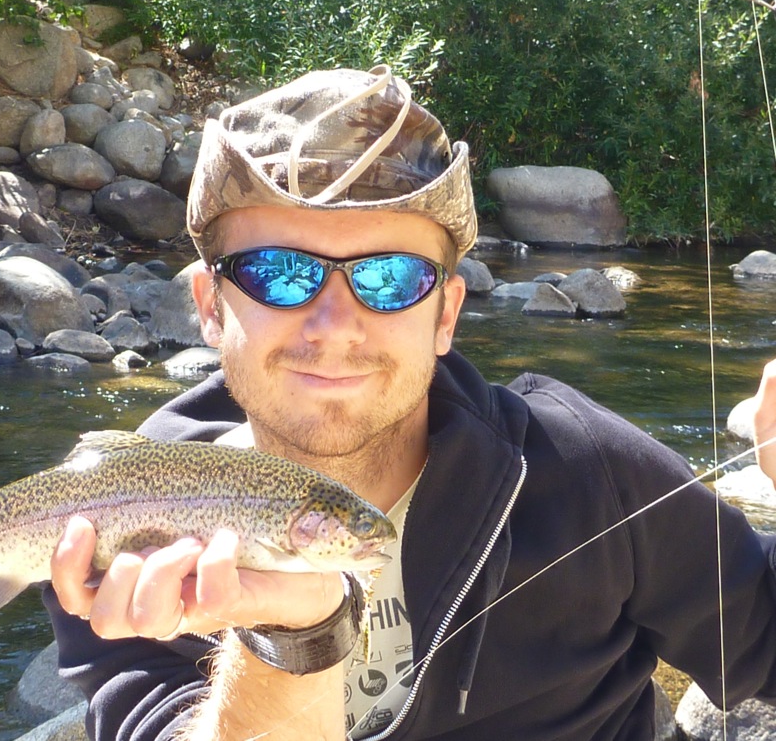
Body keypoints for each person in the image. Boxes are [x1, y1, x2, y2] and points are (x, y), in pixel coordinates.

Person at [44, 65, 776, 740]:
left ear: (446, 313)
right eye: (277, 273)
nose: (335, 326)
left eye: (391, 279)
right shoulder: (115, 518)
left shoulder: (591, 474)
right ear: (210, 306)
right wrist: (296, 640)